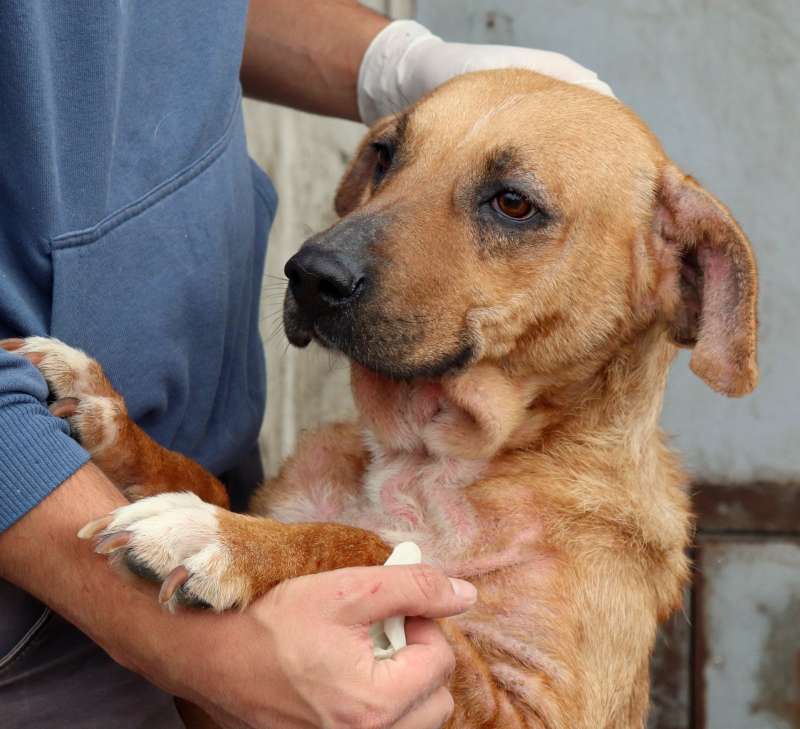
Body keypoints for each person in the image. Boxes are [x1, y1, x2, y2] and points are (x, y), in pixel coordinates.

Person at [0, 2, 611, 727]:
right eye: (388, 159)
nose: (332, 251)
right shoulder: (333, 470)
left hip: (157, 522)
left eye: (510, 204)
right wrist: (290, 565)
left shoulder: (595, 542)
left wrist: (391, 61)